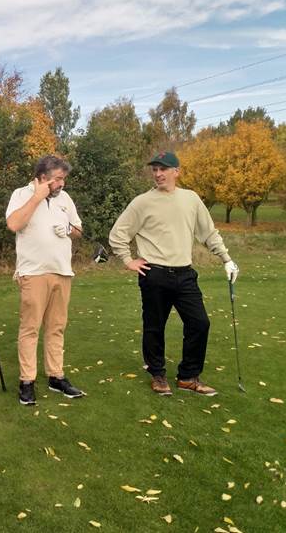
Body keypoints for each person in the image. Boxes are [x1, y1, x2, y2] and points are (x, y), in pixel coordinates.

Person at [108, 151, 239, 397]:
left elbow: (208, 233)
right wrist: (128, 260)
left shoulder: (191, 199)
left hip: (184, 273)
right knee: (154, 327)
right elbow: (118, 234)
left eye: (163, 169)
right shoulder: (142, 202)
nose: (158, 174)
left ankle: (188, 377)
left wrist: (227, 259)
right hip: (153, 273)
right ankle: (158, 375)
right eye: (154, 169)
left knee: (200, 323)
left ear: (176, 171)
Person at [6, 155, 86, 406]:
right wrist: (38, 197)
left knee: (57, 326)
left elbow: (79, 230)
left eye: (63, 178)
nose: (62, 184)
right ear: (43, 178)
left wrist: (68, 230)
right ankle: (27, 381)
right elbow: (14, 224)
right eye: (58, 179)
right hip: (33, 272)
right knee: (30, 328)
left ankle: (56, 376)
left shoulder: (65, 199)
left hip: (62, 271)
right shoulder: (21, 194)